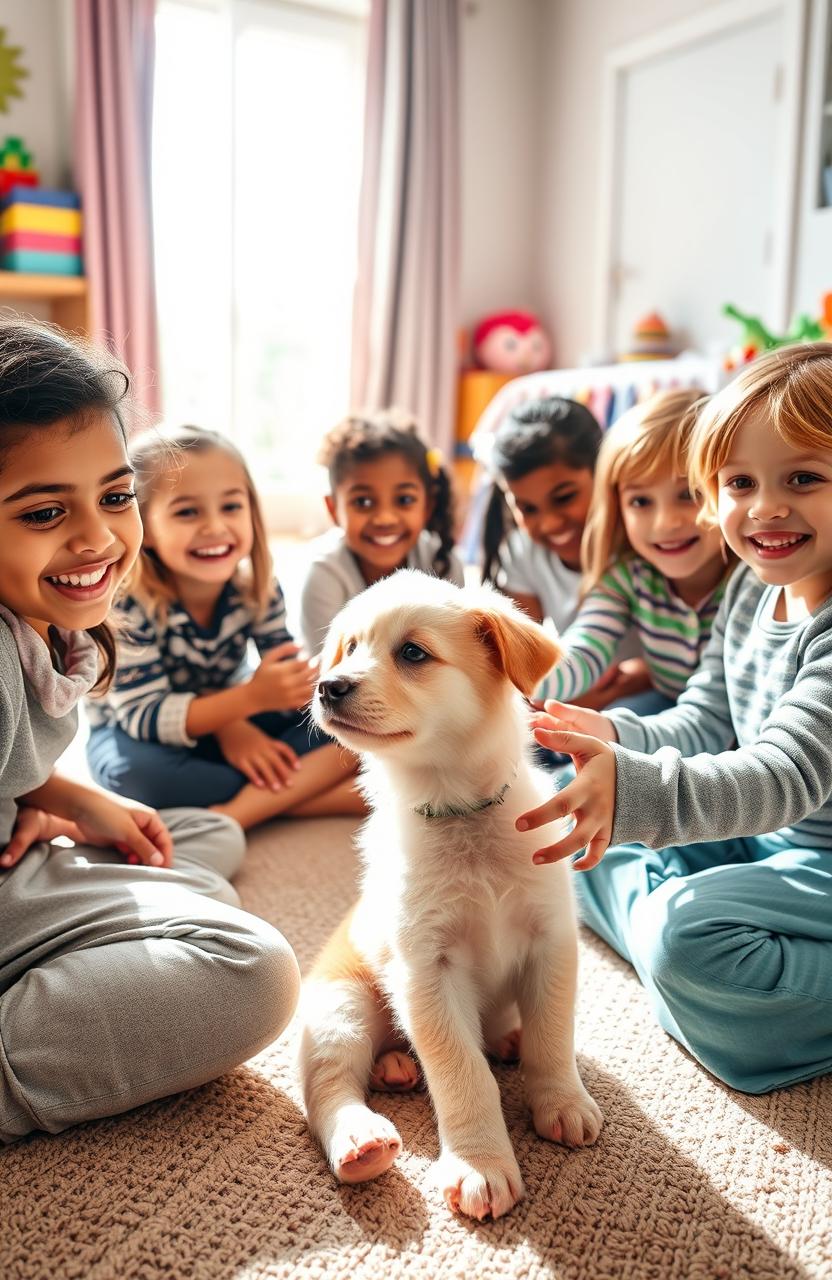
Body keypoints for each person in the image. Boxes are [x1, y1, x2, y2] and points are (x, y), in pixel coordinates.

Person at [0, 319, 299, 1142]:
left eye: (116, 495)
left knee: (200, 839)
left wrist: (56, 797)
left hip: (22, 863)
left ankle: (135, 928)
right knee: (258, 971)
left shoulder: (44, 620)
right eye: (44, 511)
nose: (98, 536)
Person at [517, 342, 832, 1095]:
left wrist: (640, 792)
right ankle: (683, 965)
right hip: (762, 844)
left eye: (804, 479)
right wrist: (613, 739)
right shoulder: (752, 591)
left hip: (818, 862)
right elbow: (703, 719)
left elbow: (787, 773)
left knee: (684, 935)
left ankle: (681, 963)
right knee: (574, 842)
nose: (766, 507)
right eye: (740, 483)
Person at [87, 424, 363, 830]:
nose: (215, 527)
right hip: (136, 729)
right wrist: (242, 709)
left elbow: (284, 679)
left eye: (231, 507)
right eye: (187, 511)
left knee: (348, 727)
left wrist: (301, 685)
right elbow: (143, 716)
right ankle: (295, 797)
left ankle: (243, 808)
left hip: (228, 707)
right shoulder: (126, 604)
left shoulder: (257, 587)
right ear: (142, 526)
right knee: (133, 776)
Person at [538, 389, 731, 710]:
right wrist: (520, 673)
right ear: (618, 508)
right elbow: (584, 650)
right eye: (640, 501)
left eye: (689, 494)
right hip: (669, 706)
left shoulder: (749, 579)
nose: (666, 523)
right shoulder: (627, 579)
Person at [479, 394, 649, 711]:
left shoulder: (643, 541)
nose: (550, 522)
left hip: (645, 693)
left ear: (601, 472)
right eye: (527, 508)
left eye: (564, 497)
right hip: (566, 691)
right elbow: (523, 662)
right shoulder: (522, 552)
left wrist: (637, 677)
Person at [299, 410, 464, 657]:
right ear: (333, 509)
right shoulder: (325, 574)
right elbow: (327, 672)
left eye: (404, 500)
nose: (384, 518)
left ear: (427, 505)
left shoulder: (442, 563)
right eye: (363, 502)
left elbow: (457, 654)